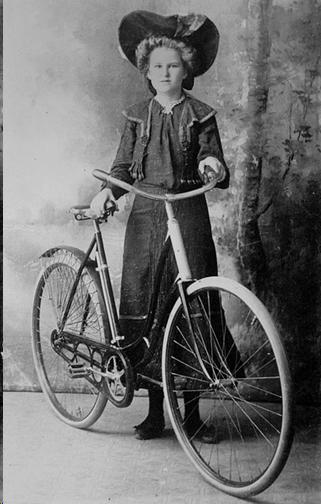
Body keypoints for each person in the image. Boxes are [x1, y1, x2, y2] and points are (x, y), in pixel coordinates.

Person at [91, 11, 234, 440]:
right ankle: (156, 413)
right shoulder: (136, 116)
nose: (165, 72)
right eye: (157, 67)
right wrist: (106, 194)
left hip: (188, 216)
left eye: (173, 65)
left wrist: (210, 163)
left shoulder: (201, 114)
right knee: (146, 310)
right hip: (146, 219)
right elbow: (122, 169)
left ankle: (191, 416)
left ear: (186, 68)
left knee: (190, 305)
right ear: (147, 73)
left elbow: (214, 157)